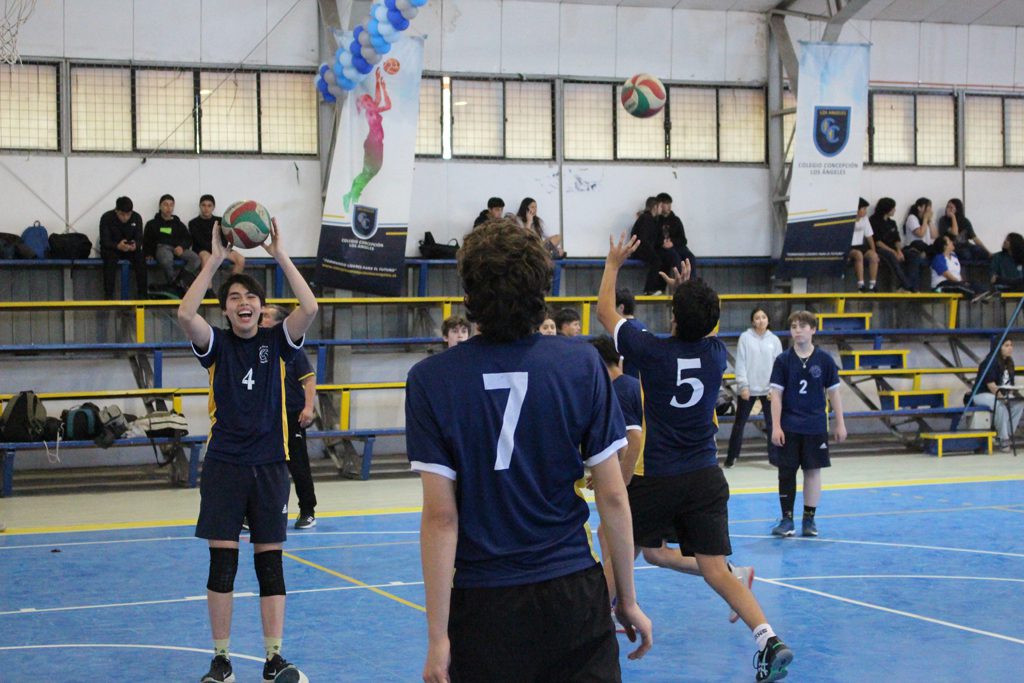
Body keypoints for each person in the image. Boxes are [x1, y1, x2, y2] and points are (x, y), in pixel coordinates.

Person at [405, 219, 651, 683]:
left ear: (468, 294)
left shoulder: (430, 380)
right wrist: (628, 599)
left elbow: (440, 518)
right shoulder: (581, 363)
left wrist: (438, 638)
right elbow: (613, 496)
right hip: (572, 592)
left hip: (485, 600)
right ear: (542, 287)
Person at [598, 233, 792, 683]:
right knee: (714, 570)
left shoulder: (651, 351)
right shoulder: (715, 354)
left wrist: (612, 264)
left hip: (659, 477)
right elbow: (700, 323)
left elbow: (607, 313)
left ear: (672, 317)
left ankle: (587, 628)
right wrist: (685, 291)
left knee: (616, 546)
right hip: (705, 476)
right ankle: (767, 638)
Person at [177, 218, 317, 683]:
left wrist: (280, 254)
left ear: (261, 307)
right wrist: (215, 260)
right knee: (223, 564)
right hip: (225, 465)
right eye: (234, 297)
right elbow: (185, 315)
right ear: (226, 310)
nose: (243, 302)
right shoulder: (216, 345)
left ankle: (274, 659)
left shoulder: (278, 342)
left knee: (270, 565)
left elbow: (310, 306)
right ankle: (221, 660)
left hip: (271, 466)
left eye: (251, 297)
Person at [589, 335, 755, 626]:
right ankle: (733, 573)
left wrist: (620, 481)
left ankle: (607, 609)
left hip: (653, 478)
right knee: (655, 554)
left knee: (612, 535)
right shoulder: (631, 385)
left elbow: (635, 439)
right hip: (665, 473)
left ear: (599, 365)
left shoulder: (619, 390)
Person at [769, 311, 847, 538]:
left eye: (802, 326)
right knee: (786, 472)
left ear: (813, 329)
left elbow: (834, 393)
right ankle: (787, 520)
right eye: (794, 326)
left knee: (812, 471)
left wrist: (840, 423)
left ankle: (809, 519)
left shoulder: (824, 360)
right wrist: (776, 426)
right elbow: (776, 395)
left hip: (815, 426)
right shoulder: (783, 360)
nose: (798, 330)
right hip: (789, 426)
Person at [261, 303, 319, 530]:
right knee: (261, 465)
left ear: (279, 323)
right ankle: (256, 512)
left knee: (298, 465)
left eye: (266, 316)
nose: (261, 319)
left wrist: (308, 408)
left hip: (291, 415)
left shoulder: (293, 350)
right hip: (266, 415)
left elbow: (309, 379)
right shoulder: (259, 349)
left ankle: (308, 510)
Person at [726, 306, 783, 468]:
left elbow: (778, 366)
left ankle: (775, 459)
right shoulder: (745, 338)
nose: (761, 320)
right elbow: (741, 363)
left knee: (772, 424)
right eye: (757, 318)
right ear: (752, 321)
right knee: (739, 424)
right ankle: (731, 457)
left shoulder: (774, 340)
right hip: (748, 389)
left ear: (768, 320)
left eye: (763, 317)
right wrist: (743, 385)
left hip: (769, 390)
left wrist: (774, 388)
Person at [344, 68, 391, 211]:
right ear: (364, 105)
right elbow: (387, 105)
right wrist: (383, 87)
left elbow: (377, 99)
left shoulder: (371, 109)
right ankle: (353, 194)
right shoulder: (370, 111)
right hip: (373, 144)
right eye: (366, 100)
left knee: (369, 171)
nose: (370, 100)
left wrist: (378, 81)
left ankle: (351, 194)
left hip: (375, 143)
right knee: (371, 170)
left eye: (369, 99)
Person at [971, 339, 1023, 452]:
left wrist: (1010, 396)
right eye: (1006, 345)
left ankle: (1007, 434)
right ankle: (1003, 438)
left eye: (1011, 345)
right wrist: (1002, 397)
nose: (1010, 348)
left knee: (1019, 404)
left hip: (1000, 395)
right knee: (1000, 405)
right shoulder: (990, 361)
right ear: (999, 347)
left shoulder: (1010, 362)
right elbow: (991, 385)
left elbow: (1010, 384)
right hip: (982, 394)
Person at [144, 194, 200, 290]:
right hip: (162, 248)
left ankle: (178, 282)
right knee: (166, 259)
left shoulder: (179, 224)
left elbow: (188, 238)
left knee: (196, 259)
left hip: (178, 249)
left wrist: (182, 247)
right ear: (160, 206)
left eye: (171, 205)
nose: (168, 208)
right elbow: (147, 241)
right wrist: (149, 254)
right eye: (165, 204)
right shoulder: (152, 224)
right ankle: (175, 284)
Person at [98, 196, 147, 299]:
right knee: (110, 260)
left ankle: (143, 294)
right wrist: (117, 246)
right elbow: (104, 241)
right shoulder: (106, 218)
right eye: (122, 214)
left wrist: (135, 245)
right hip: (112, 249)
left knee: (140, 258)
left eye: (128, 215)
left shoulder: (136, 217)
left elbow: (140, 238)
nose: (125, 218)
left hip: (130, 250)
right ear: (116, 211)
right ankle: (108, 295)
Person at [870, 197, 922, 292]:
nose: (895, 210)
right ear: (887, 209)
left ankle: (913, 285)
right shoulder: (873, 221)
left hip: (894, 249)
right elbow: (877, 241)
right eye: (893, 208)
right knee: (891, 256)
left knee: (913, 255)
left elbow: (897, 239)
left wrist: (899, 251)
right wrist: (893, 251)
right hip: (881, 249)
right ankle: (906, 285)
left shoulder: (892, 223)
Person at [631, 196, 682, 295]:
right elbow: (644, 240)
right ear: (655, 207)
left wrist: (662, 243)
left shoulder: (652, 220)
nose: (661, 209)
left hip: (646, 248)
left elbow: (655, 238)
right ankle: (649, 290)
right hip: (640, 249)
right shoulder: (646, 219)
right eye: (660, 207)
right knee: (656, 260)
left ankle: (660, 288)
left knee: (666, 258)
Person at [189, 194, 245, 275]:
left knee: (240, 259)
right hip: (202, 250)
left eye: (209, 206)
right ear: (200, 206)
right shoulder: (193, 223)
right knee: (207, 259)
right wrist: (216, 250)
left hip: (220, 249)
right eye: (203, 205)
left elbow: (225, 240)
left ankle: (233, 282)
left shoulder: (220, 221)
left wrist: (219, 249)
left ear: (213, 207)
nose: (206, 208)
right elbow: (200, 242)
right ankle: (208, 284)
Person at [657, 192, 697, 278]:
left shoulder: (675, 220)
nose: (669, 206)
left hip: (676, 246)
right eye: (666, 204)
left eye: (670, 204)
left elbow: (683, 239)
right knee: (675, 257)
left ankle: (692, 282)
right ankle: (680, 282)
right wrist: (662, 243)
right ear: (660, 205)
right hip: (662, 248)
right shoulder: (655, 220)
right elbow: (652, 238)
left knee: (690, 257)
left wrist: (673, 243)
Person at [849, 197, 879, 292]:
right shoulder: (848, 219)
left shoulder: (865, 219)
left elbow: (869, 236)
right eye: (864, 209)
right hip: (849, 247)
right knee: (858, 255)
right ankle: (861, 285)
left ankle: (872, 285)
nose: (866, 211)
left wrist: (874, 250)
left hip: (860, 245)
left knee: (874, 256)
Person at [616, 287, 646, 378]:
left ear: (621, 308)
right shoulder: (643, 327)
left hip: (628, 380)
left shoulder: (621, 330)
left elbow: (619, 362)